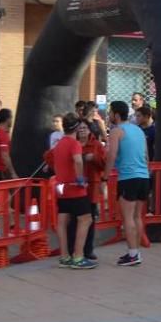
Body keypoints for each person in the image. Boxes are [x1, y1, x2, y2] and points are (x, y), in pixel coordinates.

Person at [49, 115, 96, 269]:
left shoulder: (59, 143)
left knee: (62, 222)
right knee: (86, 219)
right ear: (76, 128)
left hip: (62, 188)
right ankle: (78, 256)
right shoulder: (74, 143)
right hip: (75, 188)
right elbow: (77, 160)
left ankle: (64, 256)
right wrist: (80, 178)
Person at [106, 101, 149, 267]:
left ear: (116, 115)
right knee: (138, 216)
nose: (109, 116)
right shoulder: (138, 130)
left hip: (128, 177)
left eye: (110, 113)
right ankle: (135, 251)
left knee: (128, 217)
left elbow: (112, 154)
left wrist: (105, 174)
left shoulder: (117, 131)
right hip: (143, 176)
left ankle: (133, 254)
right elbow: (146, 155)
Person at [64, 120, 106, 263]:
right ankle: (72, 250)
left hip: (91, 187)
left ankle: (88, 250)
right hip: (74, 187)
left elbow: (104, 162)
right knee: (73, 221)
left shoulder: (96, 145)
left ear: (90, 130)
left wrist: (93, 158)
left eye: (85, 127)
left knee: (90, 220)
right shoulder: (71, 144)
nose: (82, 130)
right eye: (79, 128)